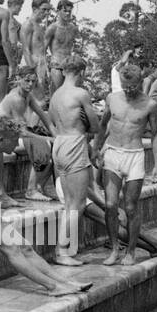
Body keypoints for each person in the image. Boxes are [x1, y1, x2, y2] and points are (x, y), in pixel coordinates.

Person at [0, 117, 91, 296]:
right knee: (11, 248)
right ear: (2, 139)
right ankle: (53, 287)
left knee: (25, 247)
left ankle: (65, 281)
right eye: (14, 139)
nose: (17, 143)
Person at [92, 64, 157, 266]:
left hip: (134, 156)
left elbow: (156, 134)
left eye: (132, 86)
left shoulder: (149, 104)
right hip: (113, 153)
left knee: (131, 208)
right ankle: (115, 248)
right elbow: (103, 124)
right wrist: (96, 148)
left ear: (139, 82)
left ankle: (131, 251)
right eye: (125, 86)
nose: (129, 90)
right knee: (111, 205)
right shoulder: (112, 98)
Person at [47, 55, 99, 265]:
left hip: (59, 143)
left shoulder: (56, 95)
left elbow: (52, 120)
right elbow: (95, 126)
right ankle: (61, 251)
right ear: (82, 72)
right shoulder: (80, 94)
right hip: (74, 144)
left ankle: (64, 249)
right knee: (77, 203)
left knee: (69, 203)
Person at [0, 68, 56, 202]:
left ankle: (39, 187)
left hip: (17, 136)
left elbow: (44, 117)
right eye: (27, 80)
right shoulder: (15, 98)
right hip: (4, 140)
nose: (30, 84)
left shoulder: (28, 96)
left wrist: (58, 137)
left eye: (33, 81)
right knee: (43, 145)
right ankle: (31, 190)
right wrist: (49, 138)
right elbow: (21, 132)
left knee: (56, 147)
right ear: (18, 80)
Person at [21, 0, 52, 94]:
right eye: (44, 9)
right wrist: (30, 70)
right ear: (34, 9)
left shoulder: (38, 25)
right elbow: (25, 49)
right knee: (31, 94)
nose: (47, 13)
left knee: (39, 95)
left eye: (48, 10)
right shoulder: (28, 24)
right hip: (32, 63)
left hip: (41, 63)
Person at [47, 0, 79, 92]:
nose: (67, 13)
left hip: (69, 65)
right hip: (56, 65)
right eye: (65, 11)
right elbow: (42, 51)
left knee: (70, 94)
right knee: (56, 94)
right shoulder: (52, 28)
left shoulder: (73, 28)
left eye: (69, 11)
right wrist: (45, 71)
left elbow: (74, 46)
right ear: (58, 11)